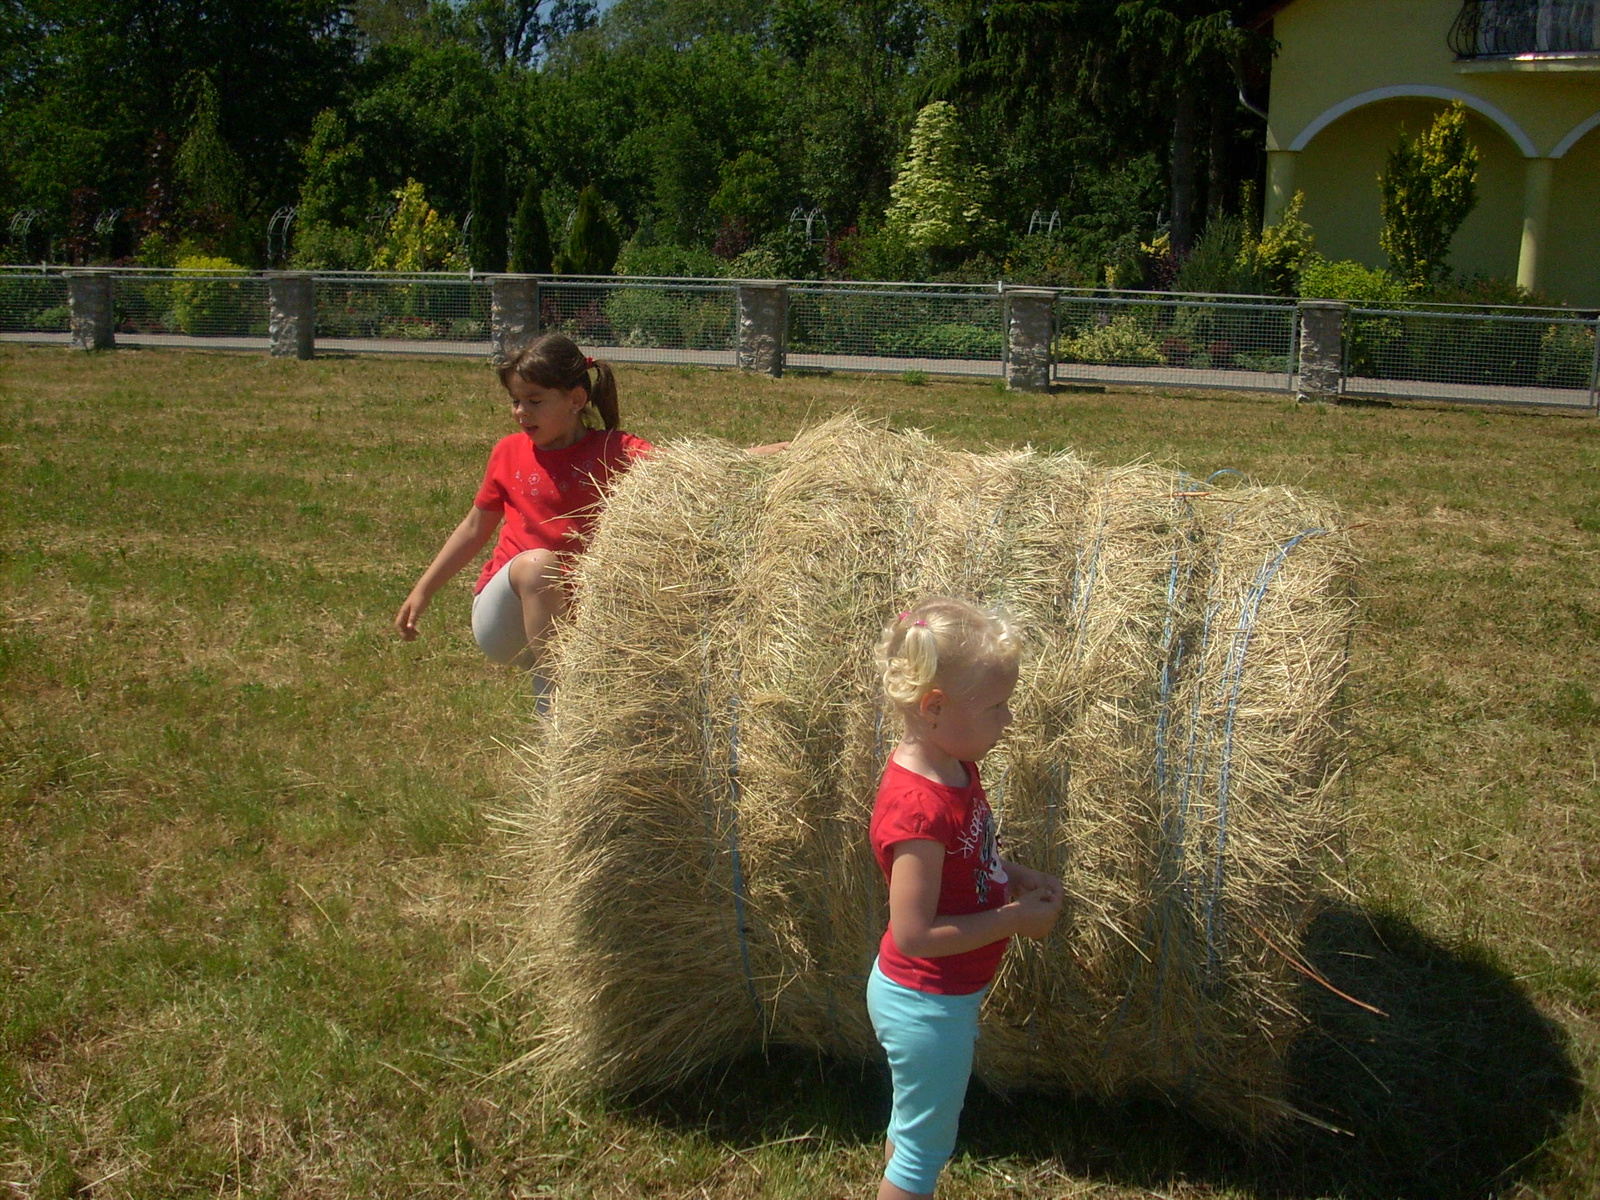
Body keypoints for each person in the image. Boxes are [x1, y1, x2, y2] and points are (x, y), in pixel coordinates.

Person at [868, 597, 1064, 1200]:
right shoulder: (919, 809)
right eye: (996, 706)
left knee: (915, 1126)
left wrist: (1012, 873)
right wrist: (1012, 921)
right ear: (934, 708)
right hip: (926, 1004)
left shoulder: (955, 766)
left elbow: (969, 857)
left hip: (939, 999)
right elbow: (914, 934)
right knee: (925, 1153)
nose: (1007, 720)